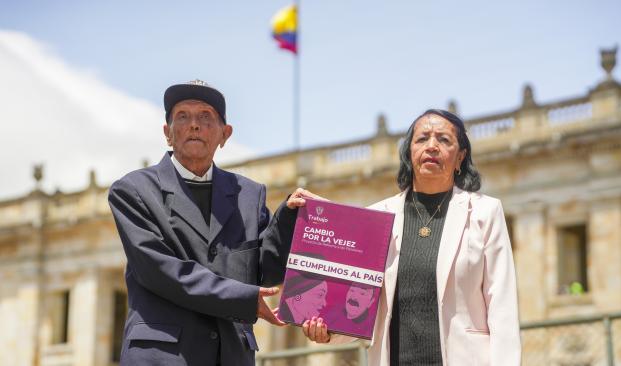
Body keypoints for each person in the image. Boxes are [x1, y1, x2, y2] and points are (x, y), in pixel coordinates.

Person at [108, 79, 313, 366]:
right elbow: (160, 271)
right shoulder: (133, 190)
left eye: (206, 116)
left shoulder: (249, 195)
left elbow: (265, 271)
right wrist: (242, 298)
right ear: (167, 133)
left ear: (224, 134)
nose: (194, 125)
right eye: (182, 116)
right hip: (163, 357)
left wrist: (291, 218)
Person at [302, 109, 521, 365]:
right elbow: (361, 305)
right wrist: (327, 330)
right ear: (408, 153)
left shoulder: (486, 212)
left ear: (460, 157)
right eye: (422, 139)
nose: (432, 146)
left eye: (444, 140)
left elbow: (502, 306)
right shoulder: (377, 217)